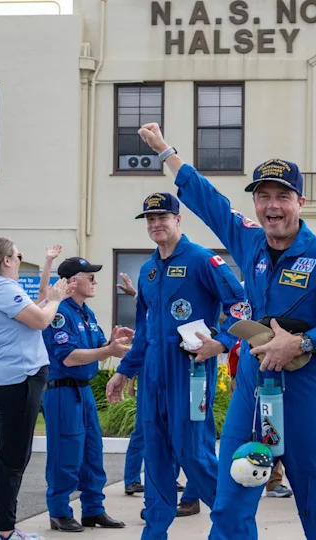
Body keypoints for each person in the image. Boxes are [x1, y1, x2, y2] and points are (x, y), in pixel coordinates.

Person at [137, 122, 316, 540]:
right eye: (263, 196)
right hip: (252, 389)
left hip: (307, 393)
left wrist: (302, 342)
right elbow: (209, 202)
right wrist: (163, 150)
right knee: (229, 505)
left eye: (282, 196)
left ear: (301, 201)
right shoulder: (249, 241)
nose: (272, 206)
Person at [106, 191, 248, 537]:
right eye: (150, 220)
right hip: (153, 372)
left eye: (162, 218)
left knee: (193, 453)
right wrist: (125, 371)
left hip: (190, 370)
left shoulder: (203, 260)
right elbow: (145, 329)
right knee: (155, 455)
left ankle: (236, 526)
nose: (156, 224)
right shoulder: (148, 270)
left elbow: (241, 305)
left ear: (178, 220)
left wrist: (223, 341)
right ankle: (154, 532)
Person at [0, 236, 69, 540]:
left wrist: (49, 281)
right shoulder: (2, 288)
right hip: (17, 382)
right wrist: (58, 299)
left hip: (1, 382)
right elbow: (40, 320)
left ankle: (6, 528)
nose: (20, 258)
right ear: (7, 260)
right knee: (13, 460)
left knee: (4, 457)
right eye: (18, 255)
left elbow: (34, 306)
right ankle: (6, 531)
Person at [41, 257, 132, 532]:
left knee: (93, 452)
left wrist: (112, 343)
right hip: (62, 393)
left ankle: (93, 509)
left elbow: (97, 348)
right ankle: (59, 512)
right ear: (71, 281)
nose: (94, 281)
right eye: (88, 276)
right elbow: (68, 357)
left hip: (83, 392)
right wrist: (108, 351)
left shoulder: (85, 313)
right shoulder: (59, 313)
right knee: (65, 453)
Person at [113, 272, 190, 500]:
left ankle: (168, 477)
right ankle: (133, 480)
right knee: (142, 430)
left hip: (171, 374)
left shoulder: (179, 307)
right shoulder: (151, 307)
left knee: (172, 428)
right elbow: (143, 339)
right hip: (149, 372)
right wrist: (131, 377)